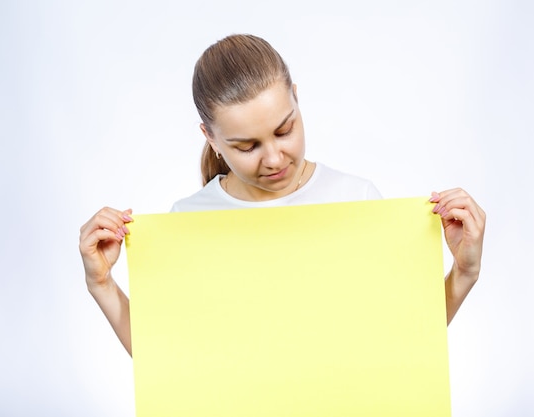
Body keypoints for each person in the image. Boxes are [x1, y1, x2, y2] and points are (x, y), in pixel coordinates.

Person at [79, 34, 486, 357]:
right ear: (211, 138)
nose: (274, 158)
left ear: (296, 97)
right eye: (246, 146)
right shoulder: (187, 220)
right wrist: (102, 285)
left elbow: (403, 343)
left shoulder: (355, 199)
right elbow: (168, 363)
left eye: (284, 129)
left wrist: (463, 272)